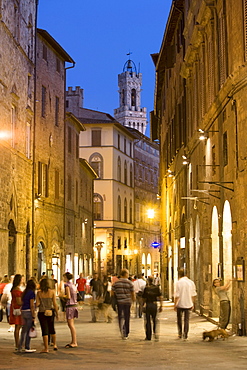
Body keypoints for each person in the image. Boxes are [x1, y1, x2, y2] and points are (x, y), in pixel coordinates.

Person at [111, 269, 135, 340]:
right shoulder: (130, 283)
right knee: (127, 317)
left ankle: (121, 330)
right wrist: (133, 301)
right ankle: (126, 332)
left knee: (120, 316)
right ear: (125, 274)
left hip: (119, 302)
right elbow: (133, 293)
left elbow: (112, 293)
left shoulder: (116, 283)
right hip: (127, 302)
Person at [36, 278, 58, 353]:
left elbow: (38, 304)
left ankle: (46, 348)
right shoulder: (52, 292)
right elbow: (55, 304)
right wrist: (57, 314)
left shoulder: (39, 293)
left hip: (42, 312)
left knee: (44, 329)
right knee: (52, 328)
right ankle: (54, 344)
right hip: (51, 312)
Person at [174, 269, 197, 340]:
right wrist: (193, 303)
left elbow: (177, 295)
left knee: (179, 319)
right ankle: (186, 333)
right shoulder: (191, 282)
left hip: (180, 303)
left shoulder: (178, 282)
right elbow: (193, 294)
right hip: (188, 303)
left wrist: (175, 304)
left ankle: (180, 333)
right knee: (186, 319)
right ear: (186, 274)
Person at [142, 276, 163, 341]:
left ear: (148, 281)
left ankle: (148, 336)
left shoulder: (146, 288)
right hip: (154, 305)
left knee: (147, 321)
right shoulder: (156, 288)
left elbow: (143, 298)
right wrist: (161, 305)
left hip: (148, 305)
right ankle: (155, 334)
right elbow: (160, 297)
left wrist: (143, 305)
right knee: (155, 320)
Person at [18, 279, 36, 353]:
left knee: (23, 330)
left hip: (23, 311)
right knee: (29, 330)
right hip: (28, 311)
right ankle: (27, 346)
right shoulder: (31, 293)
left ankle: (19, 346)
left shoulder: (24, 292)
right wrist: (33, 315)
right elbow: (32, 305)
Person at [63, 272, 78, 348]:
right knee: (72, 324)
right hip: (74, 305)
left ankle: (74, 341)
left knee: (70, 324)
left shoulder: (67, 285)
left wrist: (62, 295)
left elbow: (68, 296)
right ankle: (73, 341)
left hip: (70, 305)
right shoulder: (73, 285)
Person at [9, 274, 23, 350]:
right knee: (18, 326)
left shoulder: (14, 288)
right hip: (18, 309)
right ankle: (18, 343)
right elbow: (19, 302)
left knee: (17, 327)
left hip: (14, 307)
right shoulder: (17, 290)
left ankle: (17, 343)